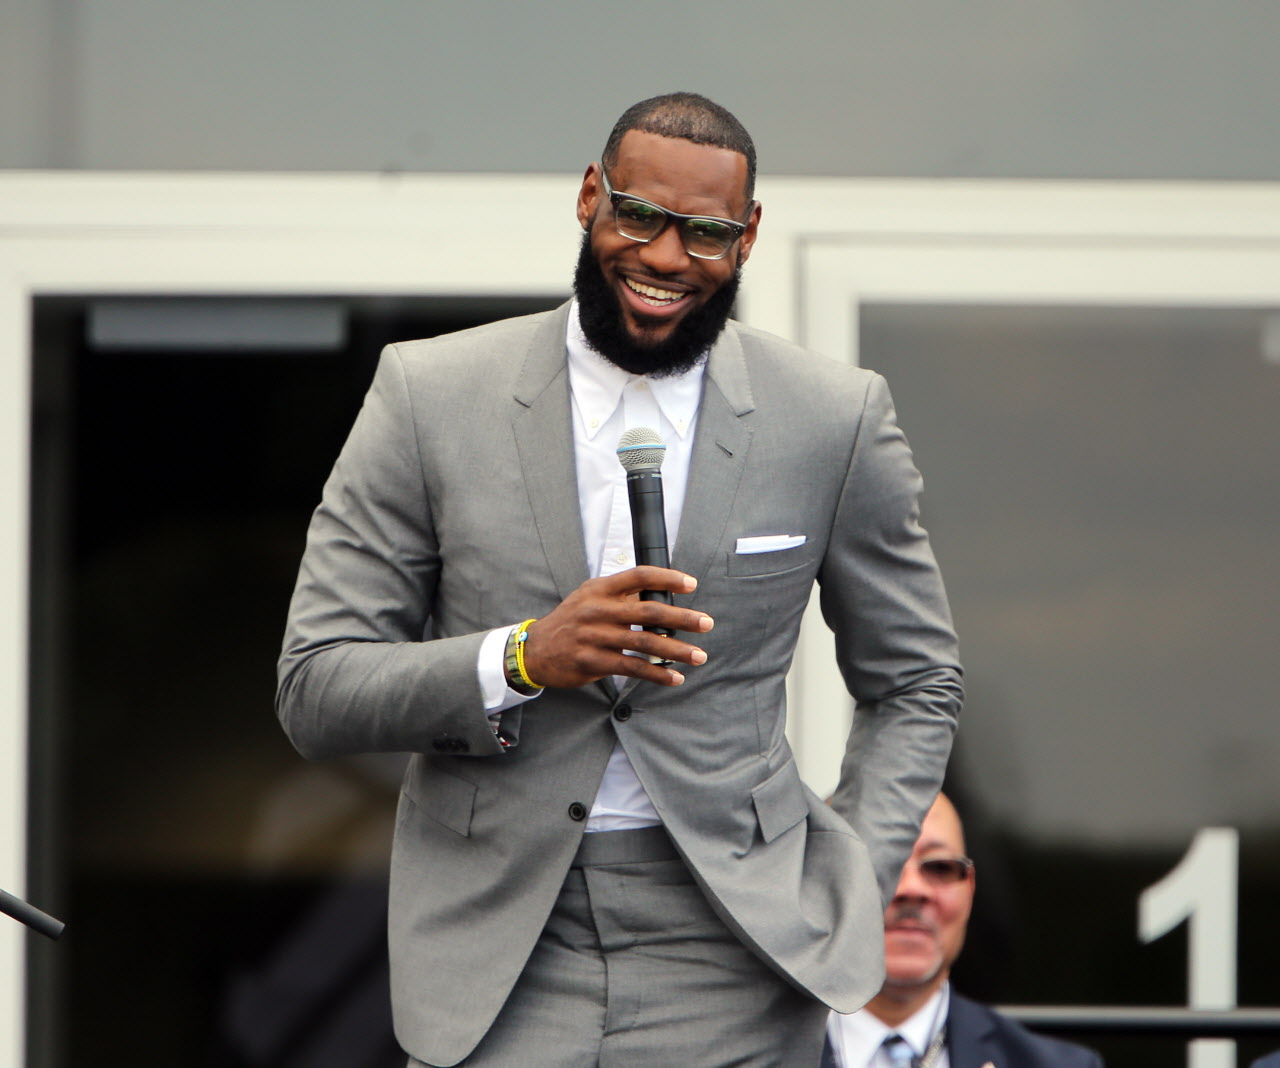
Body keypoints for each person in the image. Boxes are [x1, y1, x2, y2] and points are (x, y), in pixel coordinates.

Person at [276, 91, 963, 1067]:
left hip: (737, 935)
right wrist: (520, 658)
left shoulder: (831, 418)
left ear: (749, 235)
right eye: (638, 216)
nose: (666, 258)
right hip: (499, 939)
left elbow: (915, 682)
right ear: (590, 196)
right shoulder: (429, 396)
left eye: (707, 232)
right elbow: (316, 687)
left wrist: (847, 871)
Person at [822, 794, 1103, 1067]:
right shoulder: (778, 1050)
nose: (911, 889)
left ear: (969, 891)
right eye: (879, 865)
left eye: (940, 867)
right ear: (815, 887)